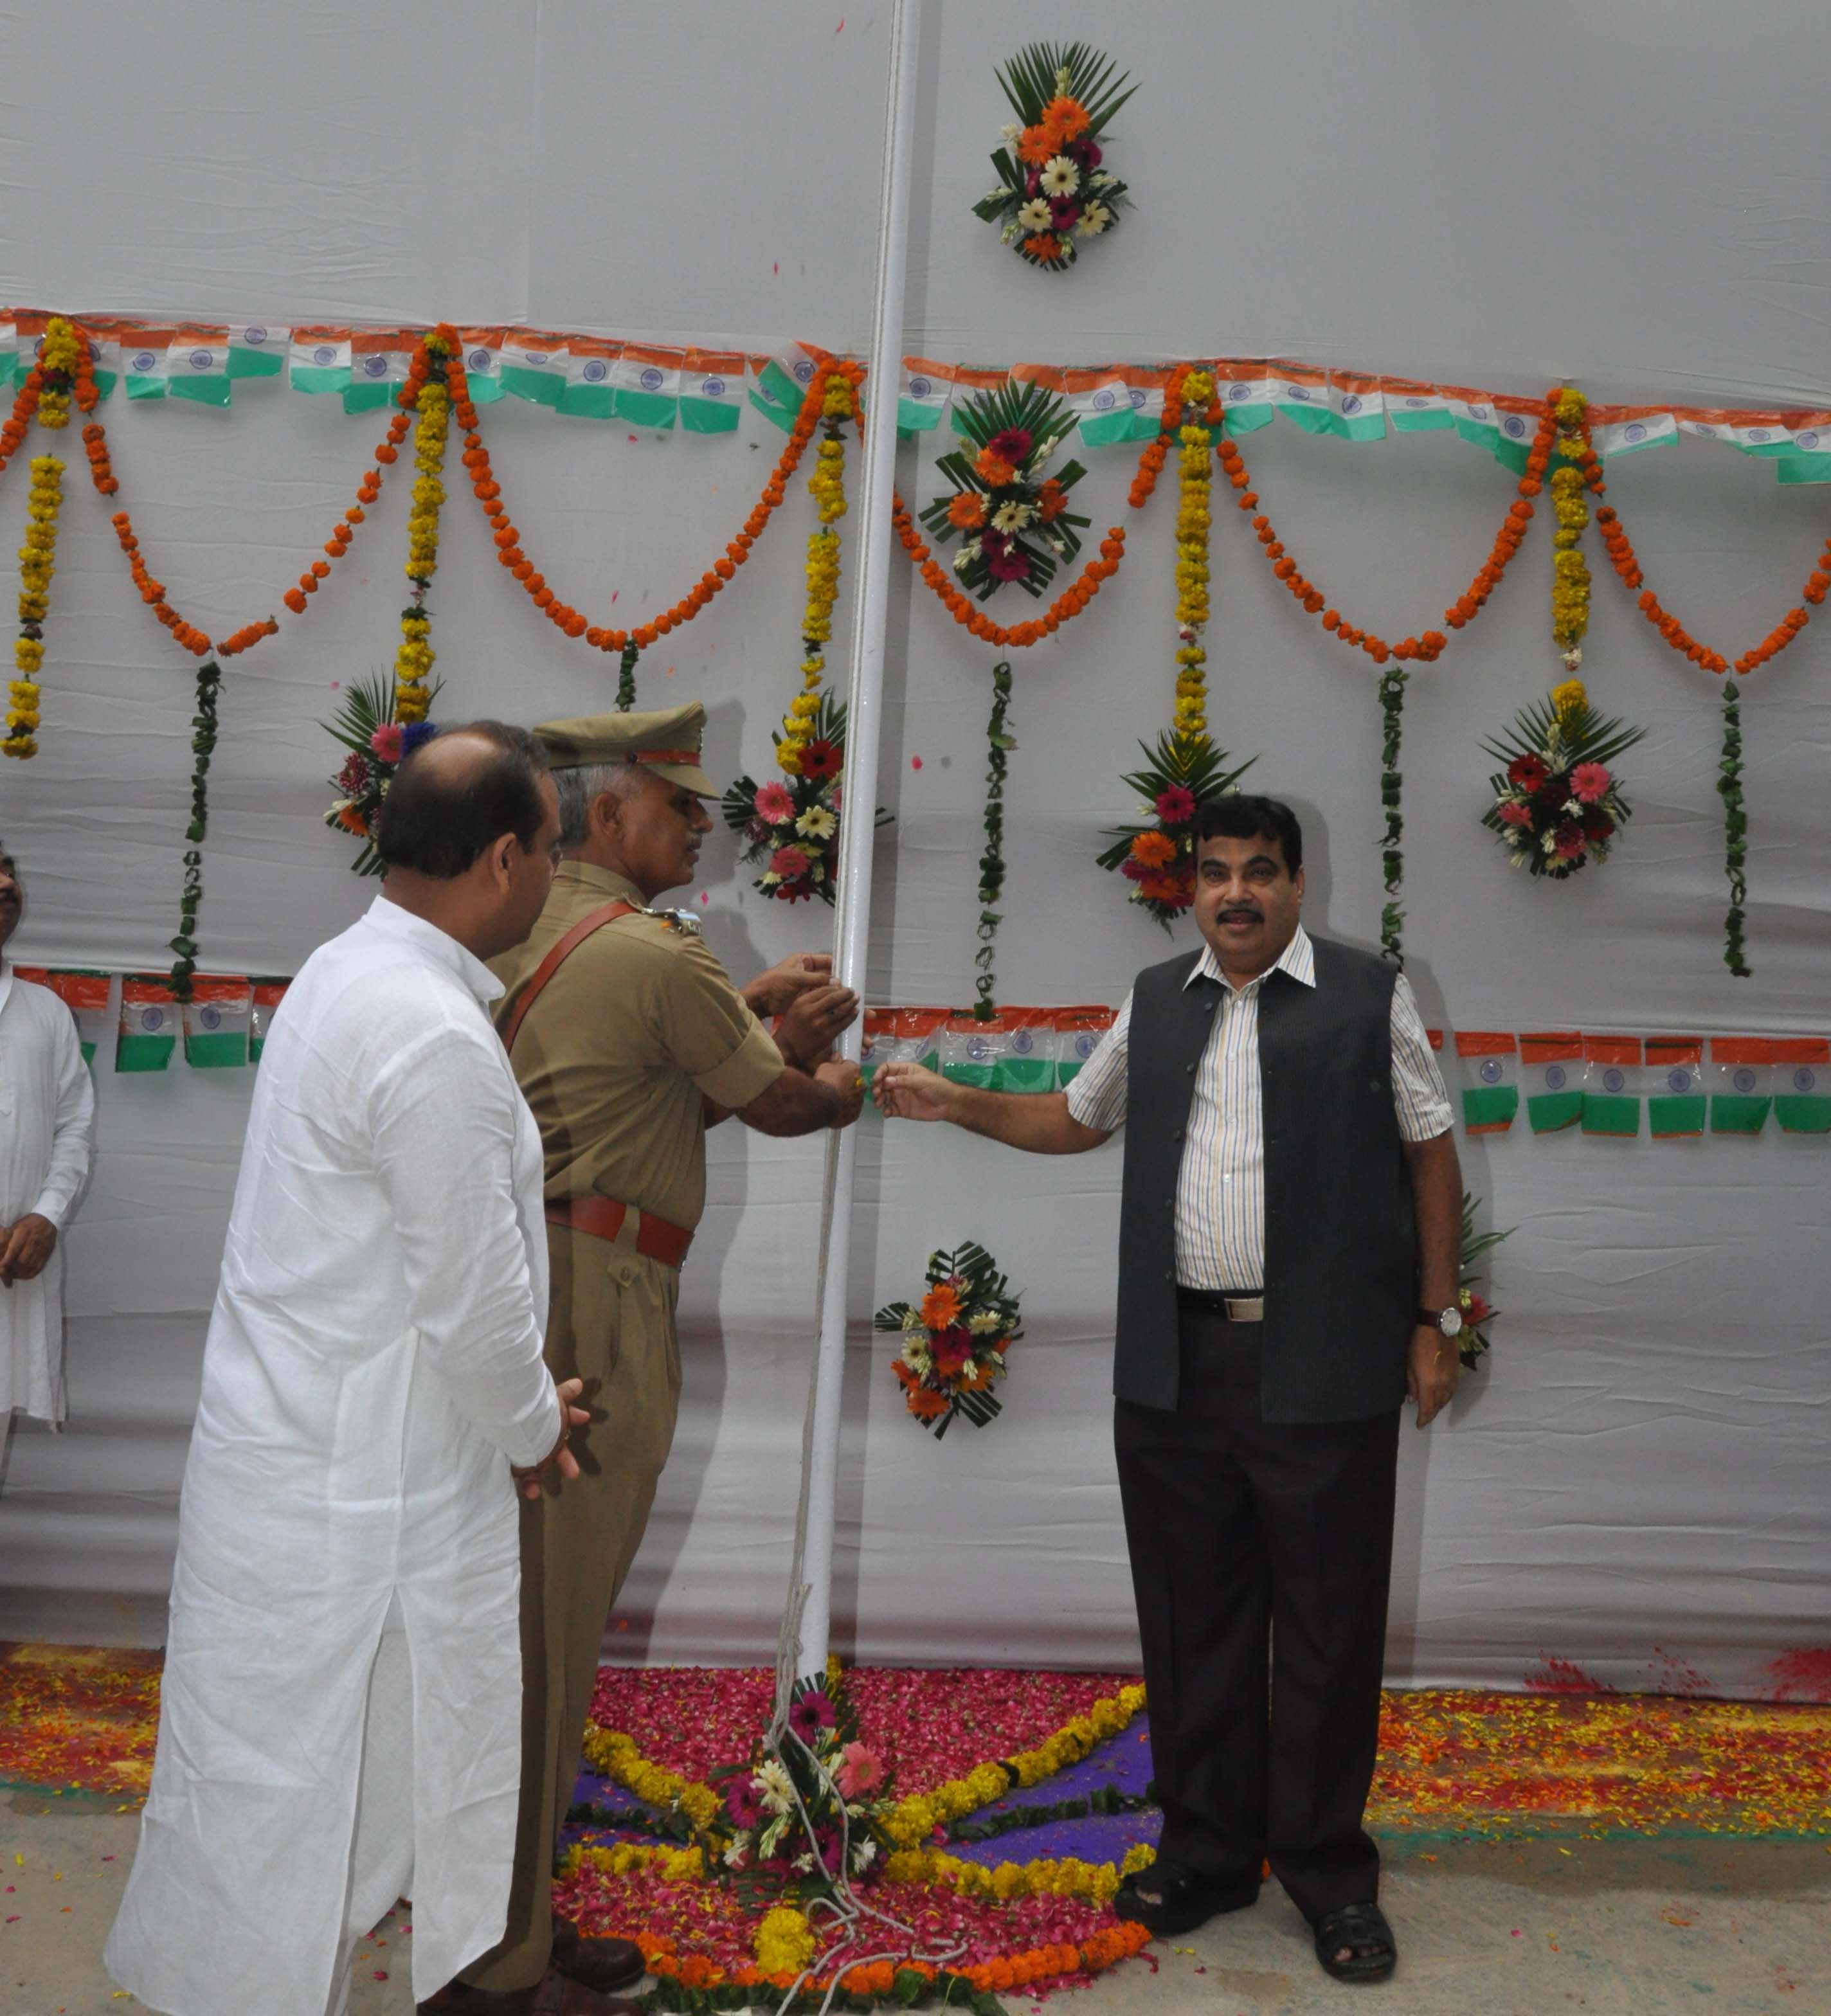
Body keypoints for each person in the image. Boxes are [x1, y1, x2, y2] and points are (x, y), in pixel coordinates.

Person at [878, 793, 1465, 1991]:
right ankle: (1204, 1854)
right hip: (1174, 1368)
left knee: (1323, 1628)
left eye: (1258, 871)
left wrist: (1432, 1318)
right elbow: (1074, 1118)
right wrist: (958, 1102)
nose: (1235, 891)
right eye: (1213, 873)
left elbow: (1430, 1147)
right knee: (1191, 1621)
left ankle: (1326, 1874)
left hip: (1325, 1366)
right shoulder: (1155, 1000)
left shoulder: (1366, 993)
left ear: (1298, 886)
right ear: (1188, 890)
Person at [107, 725, 593, 2016]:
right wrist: (536, 1424)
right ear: (501, 858)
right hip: (363, 1496)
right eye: (551, 848)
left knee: (273, 1794)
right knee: (300, 1812)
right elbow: (475, 1310)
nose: (554, 874)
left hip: (299, 1456)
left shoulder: (343, 969)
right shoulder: (431, 1030)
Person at [447, 703, 863, 2010]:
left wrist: (740, 1015)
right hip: (596, 1304)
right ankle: (499, 1951)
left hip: (515, 1292)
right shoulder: (653, 953)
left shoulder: (513, 931)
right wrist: (853, 1077)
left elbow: (637, 1065)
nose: (698, 830)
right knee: (550, 1631)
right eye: (680, 806)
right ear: (610, 810)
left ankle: (496, 1907)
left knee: (505, 1624)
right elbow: (782, 1101)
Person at [0, 843, 97, 1430]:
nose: (7, 887)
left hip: (16, 1259)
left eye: (9, 882)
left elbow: (75, 1126)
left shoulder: (46, 1012)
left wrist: (46, 1217)